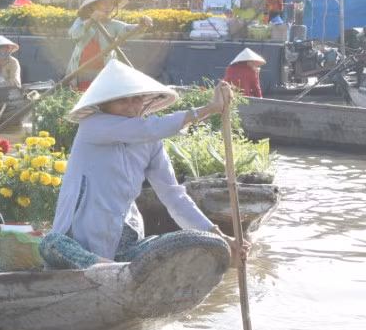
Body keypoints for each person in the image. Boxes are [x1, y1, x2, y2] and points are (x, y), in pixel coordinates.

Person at [39, 59, 249, 269]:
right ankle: (112, 271)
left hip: (126, 239)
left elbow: (173, 195)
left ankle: (121, 271)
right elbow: (151, 128)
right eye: (123, 101)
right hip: (80, 238)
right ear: (104, 105)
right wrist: (209, 108)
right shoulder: (93, 125)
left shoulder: (151, 142)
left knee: (182, 242)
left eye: (137, 99)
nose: (131, 107)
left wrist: (221, 238)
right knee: (51, 244)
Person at [67, 0, 151, 91]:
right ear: (93, 6)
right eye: (104, 3)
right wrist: (91, 21)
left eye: (111, 3)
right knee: (81, 97)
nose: (108, 7)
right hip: (81, 71)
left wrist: (141, 26)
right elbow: (74, 35)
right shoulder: (81, 22)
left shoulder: (112, 25)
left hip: (105, 71)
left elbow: (126, 29)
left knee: (103, 97)